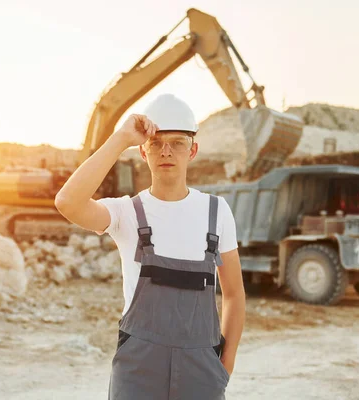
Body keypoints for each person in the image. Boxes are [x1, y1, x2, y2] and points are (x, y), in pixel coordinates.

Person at [55, 93, 245, 399]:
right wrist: (120, 138)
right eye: (156, 142)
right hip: (138, 372)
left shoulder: (217, 211)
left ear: (192, 150)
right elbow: (67, 202)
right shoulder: (125, 213)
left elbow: (234, 294)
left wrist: (226, 363)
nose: (166, 151)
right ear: (143, 152)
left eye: (177, 143)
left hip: (202, 369)